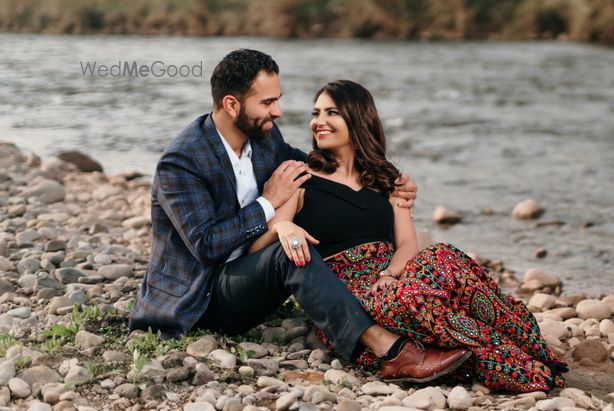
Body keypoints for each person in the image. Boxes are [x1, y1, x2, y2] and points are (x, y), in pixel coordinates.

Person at [130, 49, 471, 382]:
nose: (277, 111)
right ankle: (392, 352)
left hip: (252, 281)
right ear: (232, 105)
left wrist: (389, 181)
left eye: (277, 99)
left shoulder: (263, 137)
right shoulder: (183, 161)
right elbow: (207, 246)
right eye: (267, 102)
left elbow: (322, 172)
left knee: (290, 242)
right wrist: (269, 206)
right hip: (199, 299)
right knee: (290, 249)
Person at [248, 80, 567, 392]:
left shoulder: (387, 180)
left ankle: (525, 343)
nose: (319, 122)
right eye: (315, 113)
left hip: (393, 273)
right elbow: (258, 250)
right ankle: (507, 362)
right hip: (350, 293)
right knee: (415, 297)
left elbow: (407, 244)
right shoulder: (301, 178)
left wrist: (390, 273)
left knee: (443, 256)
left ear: (358, 118)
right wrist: (280, 227)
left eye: (331, 113)